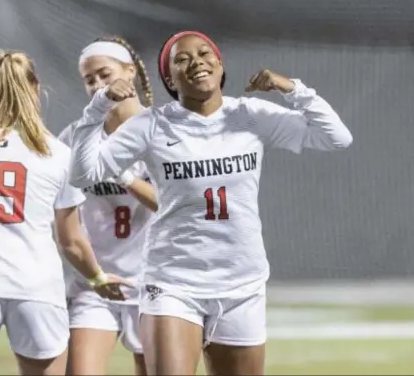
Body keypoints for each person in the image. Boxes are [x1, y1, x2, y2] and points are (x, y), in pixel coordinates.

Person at [68, 31, 353, 376]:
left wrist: (293, 89)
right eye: (182, 59)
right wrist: (98, 107)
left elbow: (336, 137)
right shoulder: (152, 124)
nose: (197, 62)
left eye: (205, 53)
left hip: (241, 284)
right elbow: (84, 174)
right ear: (168, 78)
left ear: (220, 64)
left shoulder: (249, 114)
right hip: (173, 281)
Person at [0, 50, 132, 376]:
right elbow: (70, 240)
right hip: (36, 285)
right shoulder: (57, 152)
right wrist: (97, 278)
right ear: (36, 86)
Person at [59, 36, 156, 376]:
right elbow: (61, 212)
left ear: (129, 72)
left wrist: (125, 177)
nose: (98, 85)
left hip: (155, 283)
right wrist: (92, 273)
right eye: (90, 80)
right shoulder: (75, 137)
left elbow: (174, 203)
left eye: (104, 74)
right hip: (95, 282)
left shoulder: (163, 129)